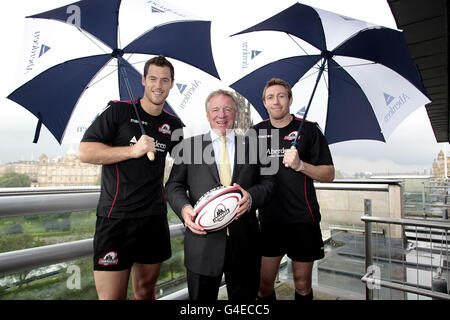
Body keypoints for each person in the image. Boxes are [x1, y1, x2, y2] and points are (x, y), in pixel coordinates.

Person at [78, 56, 183, 300]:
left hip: (153, 218)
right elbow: (85, 152)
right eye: (153, 78)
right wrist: (131, 150)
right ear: (144, 80)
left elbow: (184, 165)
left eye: (164, 80)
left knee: (146, 292)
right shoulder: (118, 110)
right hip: (116, 218)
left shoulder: (174, 124)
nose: (158, 85)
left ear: (171, 84)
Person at [165, 89, 275, 301]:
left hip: (245, 245)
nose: (221, 115)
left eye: (227, 109)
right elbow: (173, 186)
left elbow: (269, 184)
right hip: (202, 246)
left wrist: (251, 197)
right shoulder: (189, 147)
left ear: (236, 113)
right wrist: (185, 209)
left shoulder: (255, 145)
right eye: (215, 110)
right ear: (207, 115)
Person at [252, 78, 335, 301]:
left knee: (302, 284)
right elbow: (246, 174)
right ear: (265, 103)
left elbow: (329, 174)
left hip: (303, 218)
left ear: (290, 100)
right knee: (263, 286)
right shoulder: (255, 133)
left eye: (281, 96)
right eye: (270, 97)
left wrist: (301, 165)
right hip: (269, 220)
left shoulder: (309, 130)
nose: (276, 101)